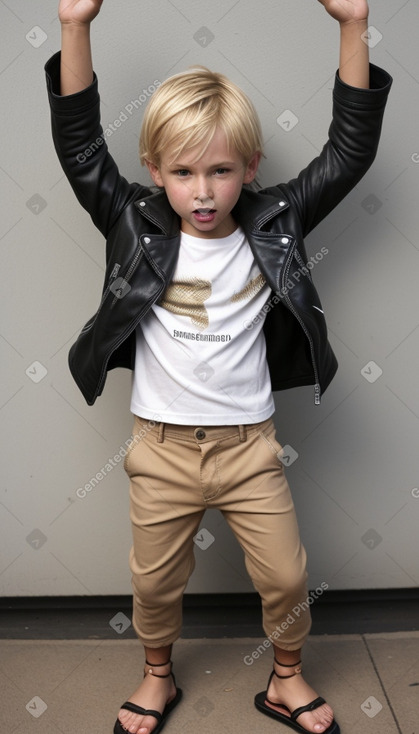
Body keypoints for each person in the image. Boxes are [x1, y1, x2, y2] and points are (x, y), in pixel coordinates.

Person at [45, 1, 391, 733]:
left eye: (221, 171)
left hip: (249, 448)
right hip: (161, 448)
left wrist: (352, 23)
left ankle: (286, 681)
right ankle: (156, 676)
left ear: (251, 168)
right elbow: (78, 147)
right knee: (154, 582)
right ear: (153, 171)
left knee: (287, 576)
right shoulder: (129, 220)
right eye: (182, 172)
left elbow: (348, 153)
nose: (202, 192)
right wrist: (73, 26)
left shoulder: (278, 221)